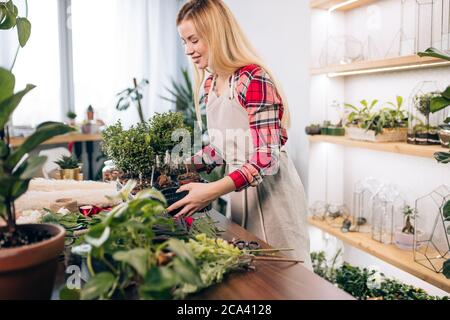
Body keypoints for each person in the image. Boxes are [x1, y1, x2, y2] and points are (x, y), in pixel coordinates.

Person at [168, 0, 311, 267]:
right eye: (184, 42)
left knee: (285, 275)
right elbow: (223, 148)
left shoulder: (253, 79)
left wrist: (211, 190)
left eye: (194, 40)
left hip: (272, 198)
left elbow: (266, 159)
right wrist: (181, 166)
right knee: (252, 272)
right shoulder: (211, 84)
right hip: (238, 196)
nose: (188, 50)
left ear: (216, 34)